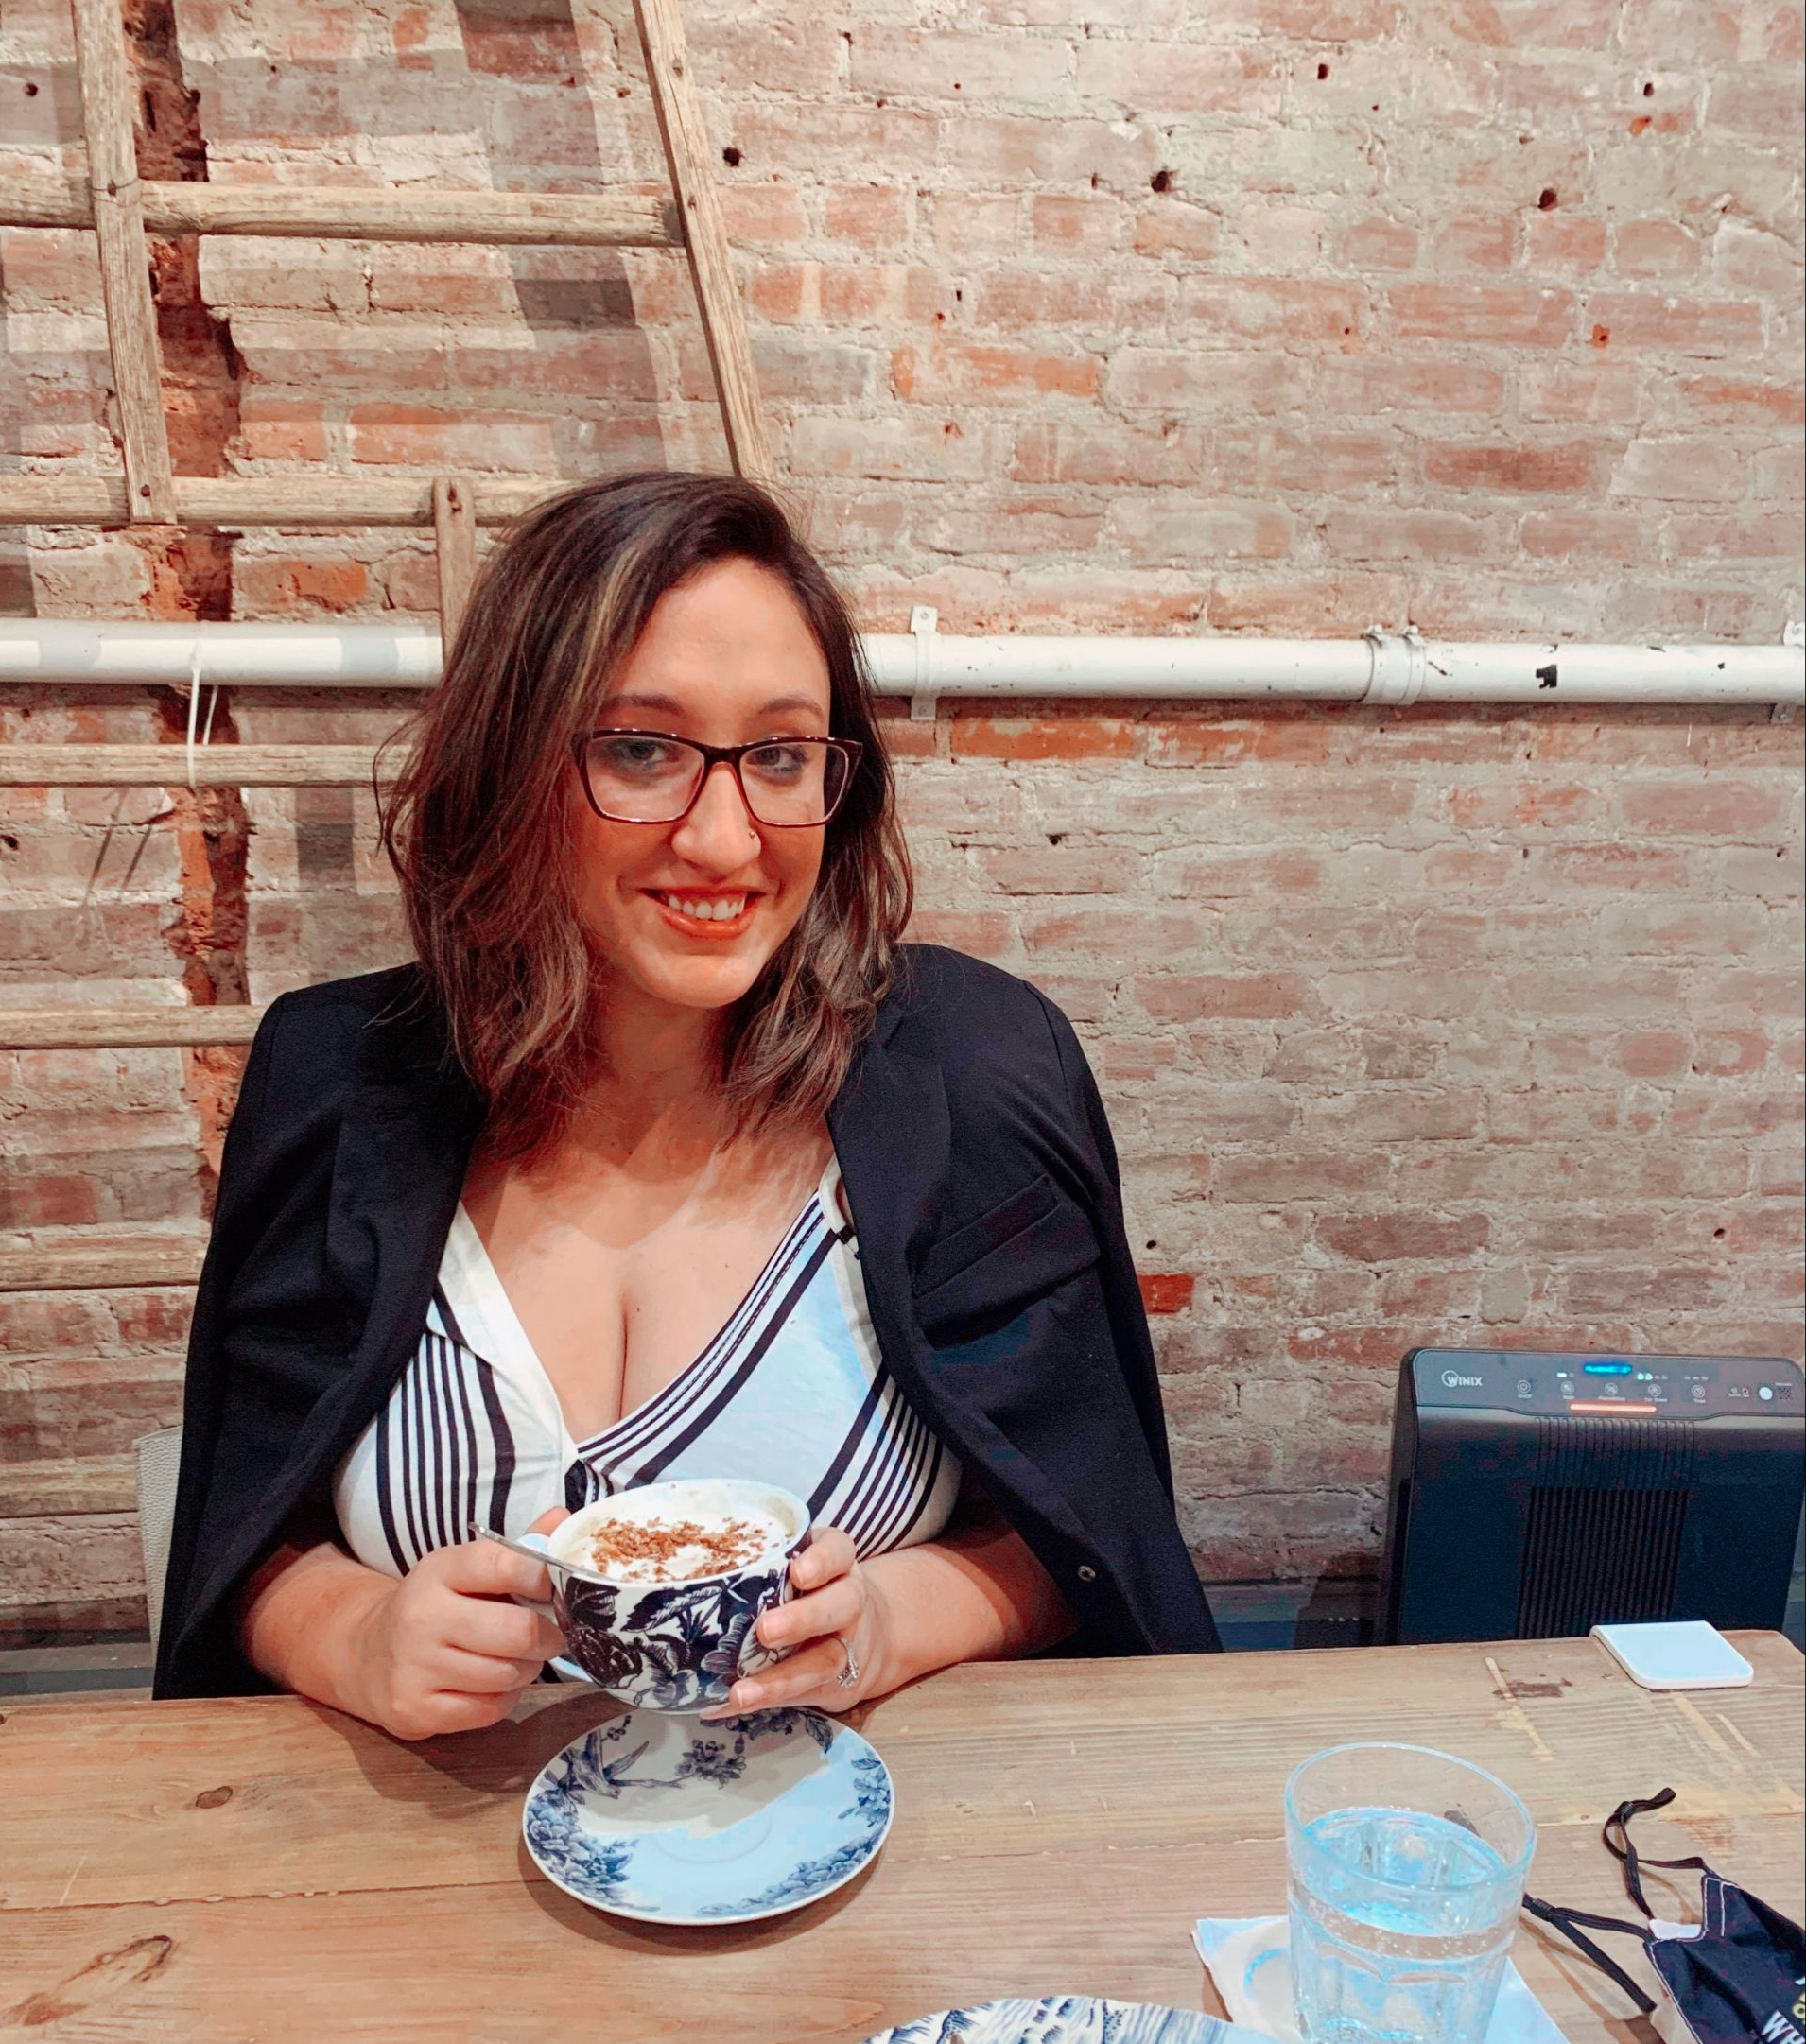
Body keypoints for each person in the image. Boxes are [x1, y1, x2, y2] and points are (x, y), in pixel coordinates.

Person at [156, 472, 1219, 1736]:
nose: (725, 840)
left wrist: (893, 1617)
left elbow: (1092, 1538)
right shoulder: (337, 1083)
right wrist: (348, 1630)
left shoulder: (978, 1077)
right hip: (425, 1884)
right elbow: (244, 1531)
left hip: (864, 1876)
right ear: (512, 764)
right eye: (643, 748)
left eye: (777, 755)